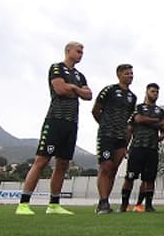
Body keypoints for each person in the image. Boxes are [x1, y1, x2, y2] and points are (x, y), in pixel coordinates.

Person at [16, 42, 92, 215]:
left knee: (63, 164)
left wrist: (74, 88)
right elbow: (60, 89)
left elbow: (88, 95)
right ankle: (24, 204)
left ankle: (54, 205)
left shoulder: (80, 76)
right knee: (42, 161)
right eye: (78, 51)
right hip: (55, 120)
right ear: (68, 51)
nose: (81, 54)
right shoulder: (56, 68)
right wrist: (74, 89)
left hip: (72, 123)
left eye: (82, 52)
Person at [92, 64, 137, 214]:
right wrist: (105, 125)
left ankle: (103, 202)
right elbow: (96, 110)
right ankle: (103, 202)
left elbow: (129, 120)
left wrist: (125, 139)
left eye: (131, 73)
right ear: (119, 74)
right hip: (106, 135)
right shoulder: (109, 90)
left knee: (113, 170)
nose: (130, 76)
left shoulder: (132, 97)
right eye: (127, 73)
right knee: (105, 167)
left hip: (121, 138)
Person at [120, 83, 164, 213]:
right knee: (130, 176)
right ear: (146, 92)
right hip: (137, 147)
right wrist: (125, 146)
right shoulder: (138, 108)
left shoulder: (161, 111)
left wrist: (160, 131)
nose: (155, 94)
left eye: (157, 92)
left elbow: (163, 127)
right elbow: (138, 120)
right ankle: (124, 204)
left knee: (149, 178)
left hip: (152, 148)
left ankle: (148, 205)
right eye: (152, 91)